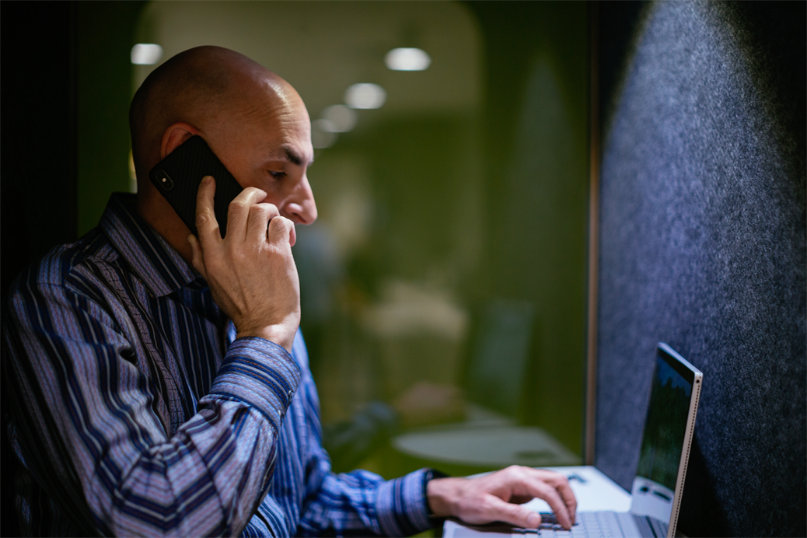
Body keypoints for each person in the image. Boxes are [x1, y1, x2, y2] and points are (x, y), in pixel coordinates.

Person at [3, 45, 576, 536]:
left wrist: (441, 497)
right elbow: (157, 522)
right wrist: (265, 337)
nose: (308, 208)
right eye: (280, 173)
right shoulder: (65, 300)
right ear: (182, 157)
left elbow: (301, 503)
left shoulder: (261, 300)